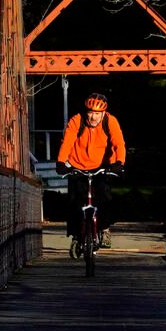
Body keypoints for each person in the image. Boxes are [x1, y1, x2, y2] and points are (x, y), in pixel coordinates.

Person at [56, 92, 126, 247]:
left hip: (102, 165)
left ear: (103, 113)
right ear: (85, 112)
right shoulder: (76, 120)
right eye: (90, 113)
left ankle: (105, 229)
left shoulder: (110, 121)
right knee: (74, 201)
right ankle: (76, 236)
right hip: (78, 164)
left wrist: (120, 162)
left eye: (97, 114)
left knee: (105, 197)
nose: (93, 117)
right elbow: (67, 142)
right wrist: (61, 162)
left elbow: (119, 143)